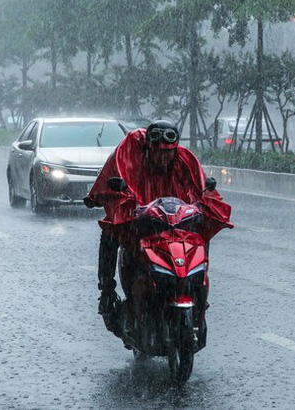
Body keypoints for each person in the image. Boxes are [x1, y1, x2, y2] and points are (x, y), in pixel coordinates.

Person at [84, 120, 233, 335]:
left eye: (169, 152)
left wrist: (204, 202)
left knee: (202, 231)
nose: (164, 157)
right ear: (149, 149)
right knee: (110, 231)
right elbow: (115, 179)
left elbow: (201, 189)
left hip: (176, 221)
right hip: (142, 218)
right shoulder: (131, 155)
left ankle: (198, 290)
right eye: (159, 152)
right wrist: (123, 201)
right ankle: (106, 290)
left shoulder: (184, 161)